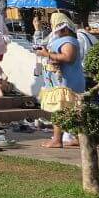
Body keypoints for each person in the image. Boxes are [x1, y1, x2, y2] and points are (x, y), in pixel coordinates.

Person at [36, 12, 85, 148]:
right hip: (60, 81)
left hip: (66, 82)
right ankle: (77, 137)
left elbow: (68, 57)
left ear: (64, 28)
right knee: (70, 111)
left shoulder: (68, 40)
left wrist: (47, 54)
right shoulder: (64, 40)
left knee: (59, 110)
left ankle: (57, 139)